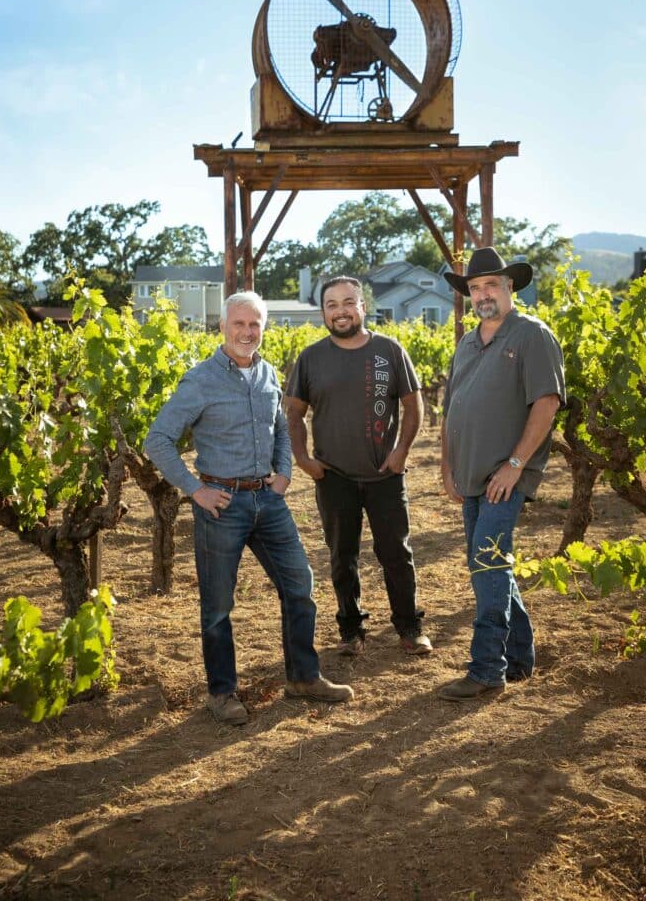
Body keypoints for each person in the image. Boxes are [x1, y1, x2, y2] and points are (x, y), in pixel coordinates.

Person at [144, 291, 353, 726]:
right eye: (238, 324)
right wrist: (193, 489)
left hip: (268, 501)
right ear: (222, 327)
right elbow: (157, 440)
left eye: (254, 324)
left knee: (299, 584)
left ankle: (303, 676)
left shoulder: (268, 374)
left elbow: (280, 428)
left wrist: (283, 472)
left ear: (264, 328)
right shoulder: (200, 380)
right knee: (218, 604)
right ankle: (222, 693)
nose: (246, 332)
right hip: (221, 505)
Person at [438, 247, 565, 701]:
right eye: (475, 288)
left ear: (510, 287)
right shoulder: (468, 342)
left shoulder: (532, 336)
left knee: (488, 567)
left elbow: (546, 403)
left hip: (504, 476)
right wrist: (447, 467)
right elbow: (453, 409)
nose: (483, 294)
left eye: (492, 284)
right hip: (470, 475)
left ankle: (487, 668)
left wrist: (515, 465)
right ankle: (520, 658)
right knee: (489, 566)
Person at [285, 276, 432, 658]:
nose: (341, 311)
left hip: (385, 474)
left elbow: (414, 406)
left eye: (348, 302)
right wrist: (304, 460)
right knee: (342, 557)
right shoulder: (310, 358)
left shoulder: (389, 350)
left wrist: (401, 451)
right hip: (334, 477)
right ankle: (351, 630)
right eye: (332, 305)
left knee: (397, 554)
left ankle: (409, 627)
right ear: (323, 313)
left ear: (363, 306)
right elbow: (294, 413)